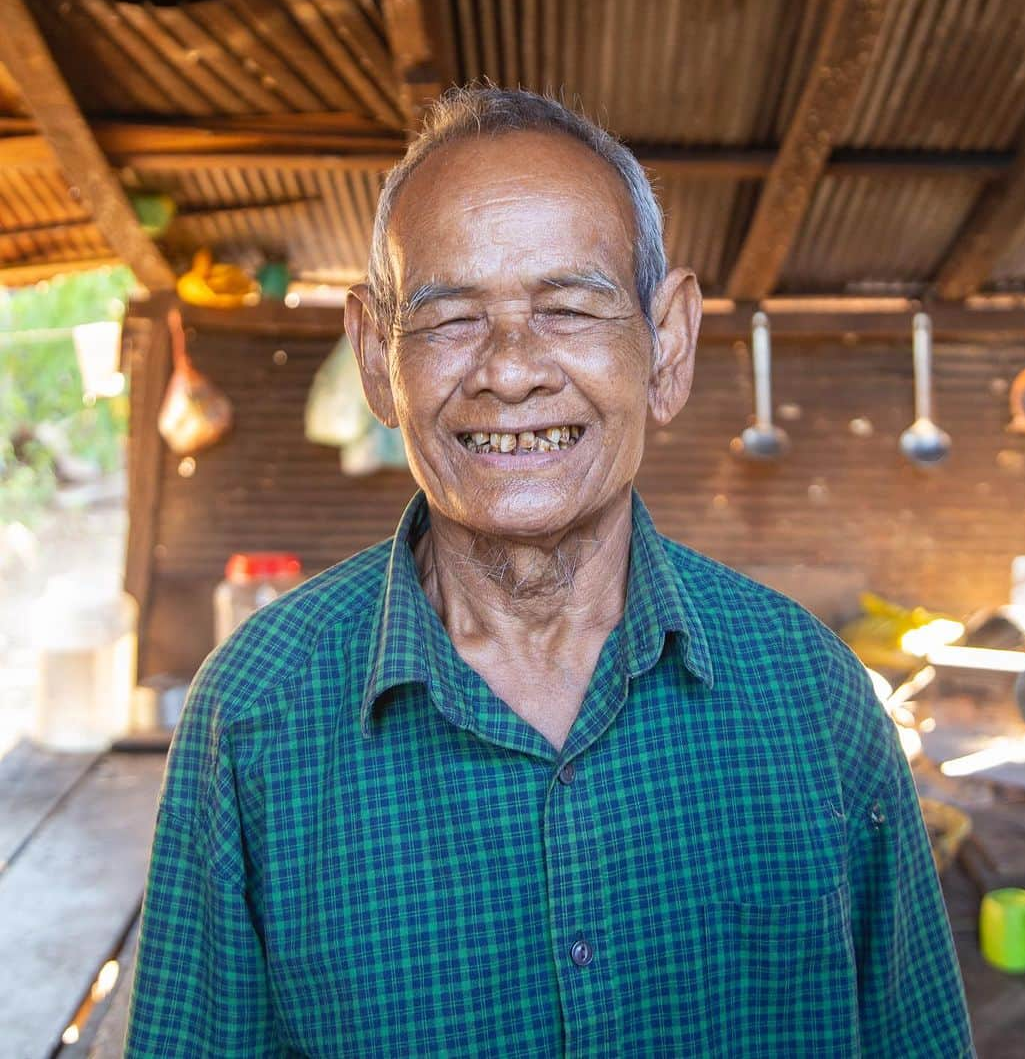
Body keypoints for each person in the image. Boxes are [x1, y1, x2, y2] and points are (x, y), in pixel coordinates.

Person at [125, 86, 973, 1057]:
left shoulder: (810, 694)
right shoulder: (256, 713)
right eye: (450, 321)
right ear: (374, 360)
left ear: (669, 346)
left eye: (569, 308)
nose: (513, 370)